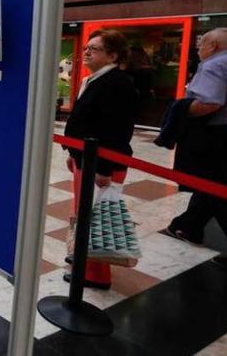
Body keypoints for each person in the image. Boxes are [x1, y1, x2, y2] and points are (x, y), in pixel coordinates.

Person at [164, 28, 227, 272]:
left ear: (212, 45)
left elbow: (211, 102)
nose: (198, 49)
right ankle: (188, 226)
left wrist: (182, 110)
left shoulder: (214, 66)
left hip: (221, 137)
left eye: (200, 44)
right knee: (215, 185)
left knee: (222, 193)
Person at [63, 29, 138, 290]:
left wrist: (104, 168)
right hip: (86, 159)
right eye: (86, 48)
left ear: (112, 55)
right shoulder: (95, 79)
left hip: (101, 164)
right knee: (83, 214)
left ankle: (96, 274)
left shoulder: (117, 83)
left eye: (93, 49)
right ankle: (83, 257)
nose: (86, 52)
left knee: (94, 218)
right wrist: (73, 154)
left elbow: (117, 129)